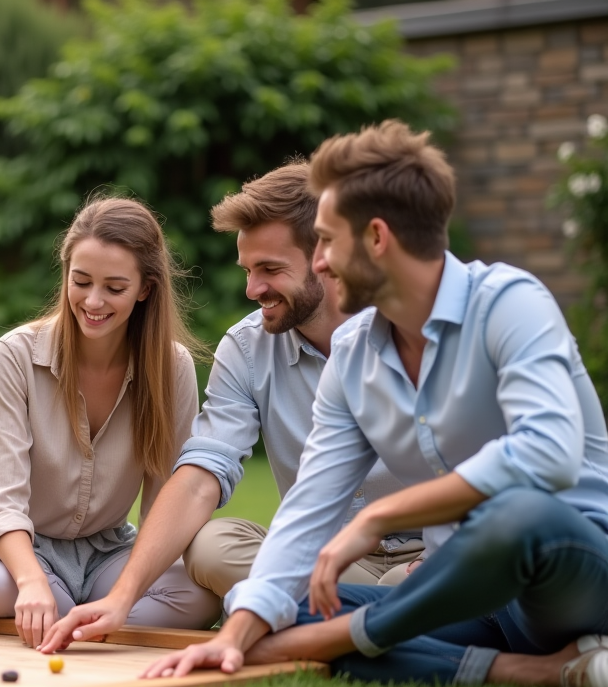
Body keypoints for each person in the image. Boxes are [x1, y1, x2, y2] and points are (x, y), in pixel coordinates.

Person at [136, 120, 608, 687]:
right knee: (261, 608)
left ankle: (359, 635)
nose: (324, 261)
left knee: (514, 515)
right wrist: (235, 635)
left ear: (377, 238)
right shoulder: (355, 355)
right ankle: (544, 671)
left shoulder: (510, 304)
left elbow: (549, 454)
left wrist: (379, 517)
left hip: (567, 568)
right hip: (463, 593)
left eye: (329, 241)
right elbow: (309, 507)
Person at [38, 163, 425, 653]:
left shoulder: (415, 333)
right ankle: (379, 615)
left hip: (439, 546)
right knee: (210, 548)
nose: (251, 289)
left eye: (271, 270)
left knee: (426, 577)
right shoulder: (247, 347)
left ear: (327, 258)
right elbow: (202, 474)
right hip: (329, 558)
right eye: (248, 270)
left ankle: (360, 608)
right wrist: (123, 595)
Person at [0, 197, 218, 649]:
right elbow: (1, 497)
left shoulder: (173, 368)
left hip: (108, 552)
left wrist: (131, 585)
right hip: (12, 552)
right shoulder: (13, 356)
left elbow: (165, 501)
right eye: (81, 281)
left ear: (145, 289)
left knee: (201, 598)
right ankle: (83, 617)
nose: (93, 301)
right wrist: (33, 582)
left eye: (114, 287)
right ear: (66, 273)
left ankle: (78, 616)